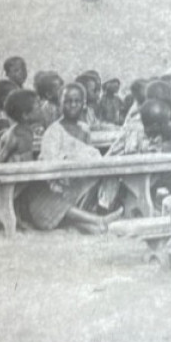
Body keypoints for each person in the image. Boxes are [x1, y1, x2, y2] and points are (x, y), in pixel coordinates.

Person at [24, 82, 120, 234]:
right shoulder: (53, 132)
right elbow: (50, 166)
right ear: (60, 104)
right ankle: (94, 222)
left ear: (84, 104)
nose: (72, 105)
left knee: (110, 175)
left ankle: (92, 221)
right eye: (67, 101)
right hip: (58, 188)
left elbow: (89, 156)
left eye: (77, 101)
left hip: (80, 185)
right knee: (50, 202)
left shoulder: (84, 129)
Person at [0, 88, 41, 164]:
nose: (41, 109)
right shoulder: (19, 135)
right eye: (38, 107)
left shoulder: (23, 130)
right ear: (25, 115)